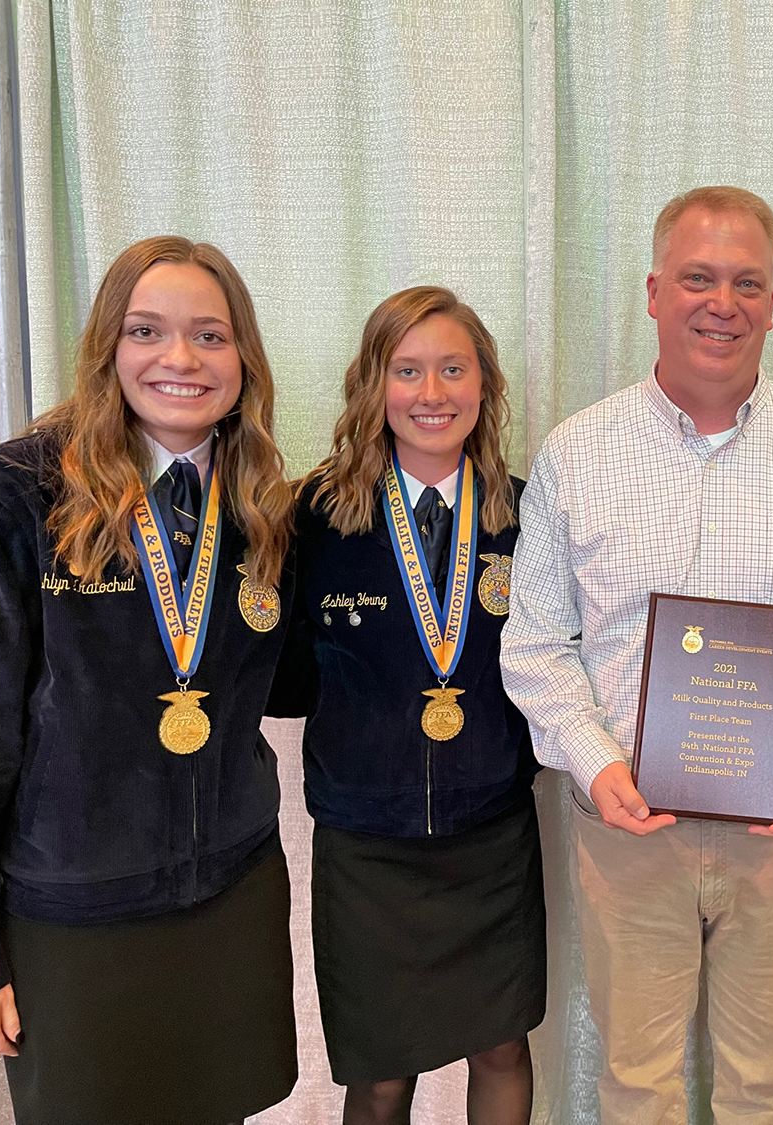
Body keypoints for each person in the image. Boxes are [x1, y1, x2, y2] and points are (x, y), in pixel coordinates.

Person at [500, 185, 773, 1124]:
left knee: (766, 1084)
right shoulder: (577, 453)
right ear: (652, 292)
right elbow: (536, 642)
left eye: (747, 283)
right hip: (629, 832)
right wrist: (597, 766)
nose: (724, 303)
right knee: (637, 1084)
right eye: (698, 279)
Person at [0, 236, 297, 1124]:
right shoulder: (14, 496)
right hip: (74, 912)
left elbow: (293, 678)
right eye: (147, 330)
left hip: (231, 894)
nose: (180, 358)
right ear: (107, 344)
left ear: (243, 358)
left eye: (210, 335)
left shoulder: (260, 501)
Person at [271, 286, 544, 1125]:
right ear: (372, 384)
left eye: (453, 369)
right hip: (367, 844)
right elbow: (286, 679)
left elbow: (558, 660)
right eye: (408, 369)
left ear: (485, 384)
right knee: (382, 1075)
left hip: (490, 833)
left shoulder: (526, 513)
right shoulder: (312, 516)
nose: (432, 392)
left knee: (501, 1049)